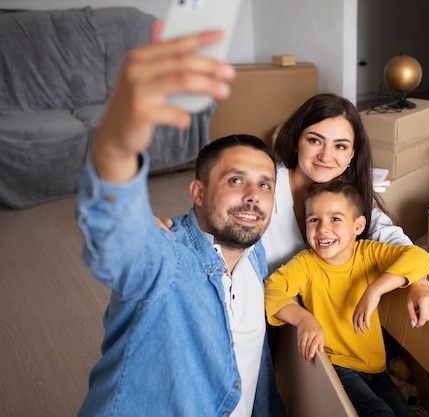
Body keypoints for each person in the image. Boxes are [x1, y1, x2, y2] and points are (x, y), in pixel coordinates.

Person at [75, 25, 284, 417]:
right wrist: (118, 143)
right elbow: (117, 234)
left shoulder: (253, 255)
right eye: (235, 180)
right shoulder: (167, 258)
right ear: (198, 193)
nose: (254, 196)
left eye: (265, 185)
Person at [263, 93, 429, 327]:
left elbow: (393, 239)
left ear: (352, 155)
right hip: (268, 317)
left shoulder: (348, 196)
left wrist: (420, 284)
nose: (326, 156)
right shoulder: (263, 189)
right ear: (297, 141)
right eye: (315, 140)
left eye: (340, 146)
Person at [264, 177, 429, 417]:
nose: (323, 228)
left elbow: (419, 257)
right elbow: (271, 288)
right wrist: (304, 319)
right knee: (379, 413)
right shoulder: (306, 264)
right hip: (338, 366)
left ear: (358, 226)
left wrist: (376, 289)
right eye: (314, 219)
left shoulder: (370, 253)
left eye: (335, 219)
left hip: (376, 367)